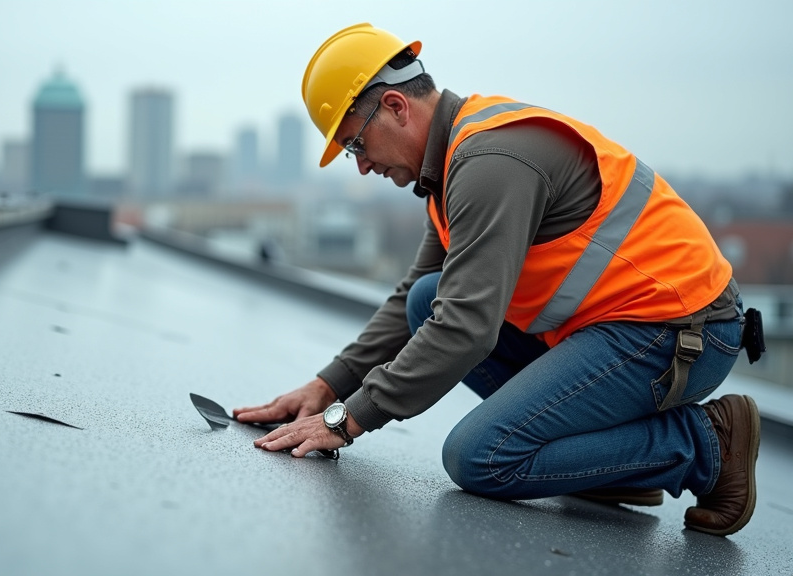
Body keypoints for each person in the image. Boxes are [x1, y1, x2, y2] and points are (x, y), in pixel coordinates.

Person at [233, 23, 763, 537]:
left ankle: (704, 443)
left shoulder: (488, 161)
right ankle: (612, 464)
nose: (362, 167)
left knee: (480, 457)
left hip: (680, 330)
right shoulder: (449, 166)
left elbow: (466, 327)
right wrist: (328, 385)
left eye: (355, 144)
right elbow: (418, 299)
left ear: (394, 107)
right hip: (618, 326)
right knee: (425, 300)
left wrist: (344, 420)